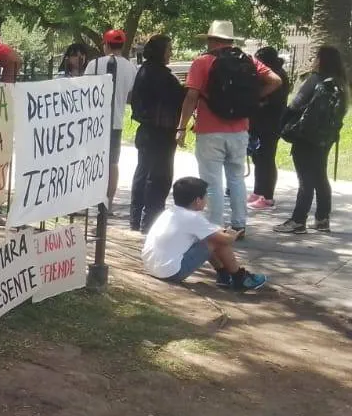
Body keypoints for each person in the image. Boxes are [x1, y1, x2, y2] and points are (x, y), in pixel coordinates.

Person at [176, 20, 283, 238]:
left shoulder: (202, 62)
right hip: (240, 129)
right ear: (230, 40)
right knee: (236, 178)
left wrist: (182, 127)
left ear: (211, 40)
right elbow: (275, 81)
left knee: (212, 182)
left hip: (209, 131)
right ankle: (239, 225)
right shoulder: (249, 60)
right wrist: (253, 98)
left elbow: (191, 96)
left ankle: (215, 227)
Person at [142, 176, 267, 291]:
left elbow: (207, 230)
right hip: (170, 273)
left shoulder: (169, 212)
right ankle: (240, 278)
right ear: (198, 200)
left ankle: (224, 275)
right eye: (206, 196)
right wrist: (232, 234)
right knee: (215, 241)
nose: (207, 200)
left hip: (152, 267)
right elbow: (226, 240)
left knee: (208, 237)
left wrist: (220, 232)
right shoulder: (193, 218)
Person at [273, 45, 348, 234]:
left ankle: (298, 220)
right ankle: (322, 218)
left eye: (316, 57)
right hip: (326, 137)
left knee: (305, 179)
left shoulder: (315, 80)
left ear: (321, 60)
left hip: (306, 135)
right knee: (320, 175)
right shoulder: (341, 84)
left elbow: (295, 104)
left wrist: (283, 124)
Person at [128, 35, 184, 232]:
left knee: (143, 173)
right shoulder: (162, 76)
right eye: (169, 49)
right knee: (159, 177)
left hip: (146, 130)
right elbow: (178, 98)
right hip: (161, 132)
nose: (171, 53)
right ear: (160, 51)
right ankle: (151, 220)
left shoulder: (144, 71)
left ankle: (136, 218)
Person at [83, 29, 139, 210]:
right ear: (122, 45)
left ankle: (87, 198)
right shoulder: (131, 68)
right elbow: (131, 93)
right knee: (113, 162)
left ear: (105, 44)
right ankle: (108, 201)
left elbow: (85, 89)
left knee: (89, 159)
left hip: (93, 121)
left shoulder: (94, 64)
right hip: (116, 121)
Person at [247, 47, 291, 211]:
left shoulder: (277, 76)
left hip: (271, 123)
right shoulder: (272, 73)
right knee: (258, 158)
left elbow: (272, 100)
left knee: (266, 159)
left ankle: (267, 196)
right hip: (262, 123)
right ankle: (258, 191)